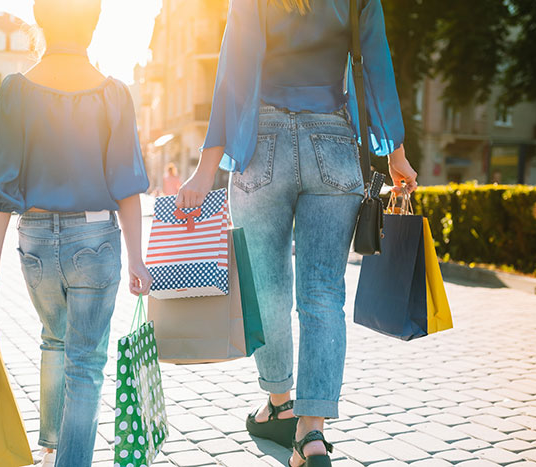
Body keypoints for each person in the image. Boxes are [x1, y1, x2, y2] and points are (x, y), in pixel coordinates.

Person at [176, 1, 418, 466]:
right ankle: (311, 435)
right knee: (323, 294)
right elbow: (377, 69)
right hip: (333, 142)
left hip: (261, 142)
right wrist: (396, 155)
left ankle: (279, 402)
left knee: (267, 288)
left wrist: (206, 169)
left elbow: (233, 71)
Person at [0, 1, 152, 466]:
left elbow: (0, 186)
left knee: (54, 338)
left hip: (33, 242)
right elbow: (127, 184)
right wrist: (137, 259)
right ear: (92, 25)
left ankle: (50, 448)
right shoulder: (114, 93)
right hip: (94, 237)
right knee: (86, 363)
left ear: (41, 22)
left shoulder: (15, 91)